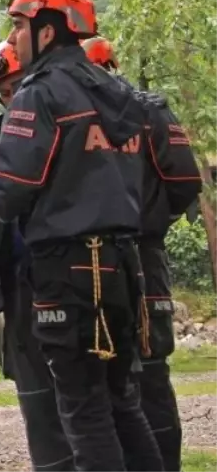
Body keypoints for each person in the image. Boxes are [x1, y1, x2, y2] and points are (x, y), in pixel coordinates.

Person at [0, 0, 164, 472]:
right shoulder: (121, 93)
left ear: (48, 31)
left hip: (67, 271)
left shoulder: (39, 94)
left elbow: (15, 184)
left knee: (83, 407)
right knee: (122, 401)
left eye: (19, 25)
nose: (14, 39)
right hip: (122, 265)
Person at [83, 36, 202, 472]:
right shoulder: (77, 115)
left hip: (141, 257)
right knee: (107, 375)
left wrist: (148, 223)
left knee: (149, 372)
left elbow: (185, 181)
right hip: (102, 256)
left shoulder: (147, 111)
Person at [0, 41, 72, 472]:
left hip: (64, 275)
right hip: (16, 280)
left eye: (18, 86)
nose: (15, 99)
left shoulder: (66, 126)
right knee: (35, 397)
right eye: (5, 93)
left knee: (82, 395)